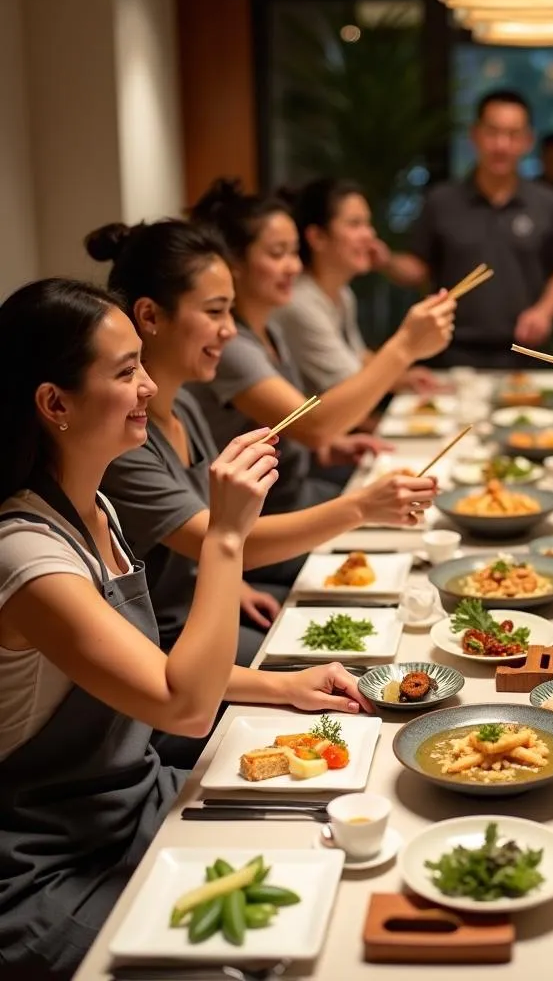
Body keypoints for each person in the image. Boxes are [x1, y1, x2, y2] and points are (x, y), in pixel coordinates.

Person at [0, 278, 372, 979]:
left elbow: (142, 667)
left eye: (142, 364)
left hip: (135, 808)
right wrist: (227, 535)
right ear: (55, 403)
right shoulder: (26, 554)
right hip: (51, 865)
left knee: (332, 853)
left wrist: (280, 685)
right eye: (123, 371)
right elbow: (185, 705)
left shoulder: (95, 510)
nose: (147, 387)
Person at [91, 220, 439, 667]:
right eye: (215, 312)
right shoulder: (125, 442)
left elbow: (212, 536)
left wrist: (234, 585)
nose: (230, 331)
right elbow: (229, 537)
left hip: (209, 605)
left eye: (229, 313)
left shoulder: (184, 409)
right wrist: (360, 507)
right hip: (172, 641)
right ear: (151, 316)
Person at [188, 178, 454, 516]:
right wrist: (405, 347)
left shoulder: (270, 329)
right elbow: (313, 425)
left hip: (296, 491)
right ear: (234, 264)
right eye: (276, 254)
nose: (294, 267)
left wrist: (328, 449)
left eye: (293, 252)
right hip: (266, 518)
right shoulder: (232, 346)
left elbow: (297, 426)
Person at [378, 89, 553, 366]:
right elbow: (419, 268)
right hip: (453, 352)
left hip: (529, 354)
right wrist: (384, 259)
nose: (501, 145)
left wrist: (544, 312)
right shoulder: (441, 201)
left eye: (512, 135)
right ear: (475, 135)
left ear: (527, 141)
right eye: (492, 132)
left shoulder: (550, 203)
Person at [272, 177, 439, 397]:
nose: (369, 235)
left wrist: (402, 378)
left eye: (367, 224)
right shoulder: (300, 303)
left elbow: (357, 356)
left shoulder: (342, 293)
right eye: (355, 224)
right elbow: (351, 386)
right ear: (318, 237)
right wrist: (408, 344)